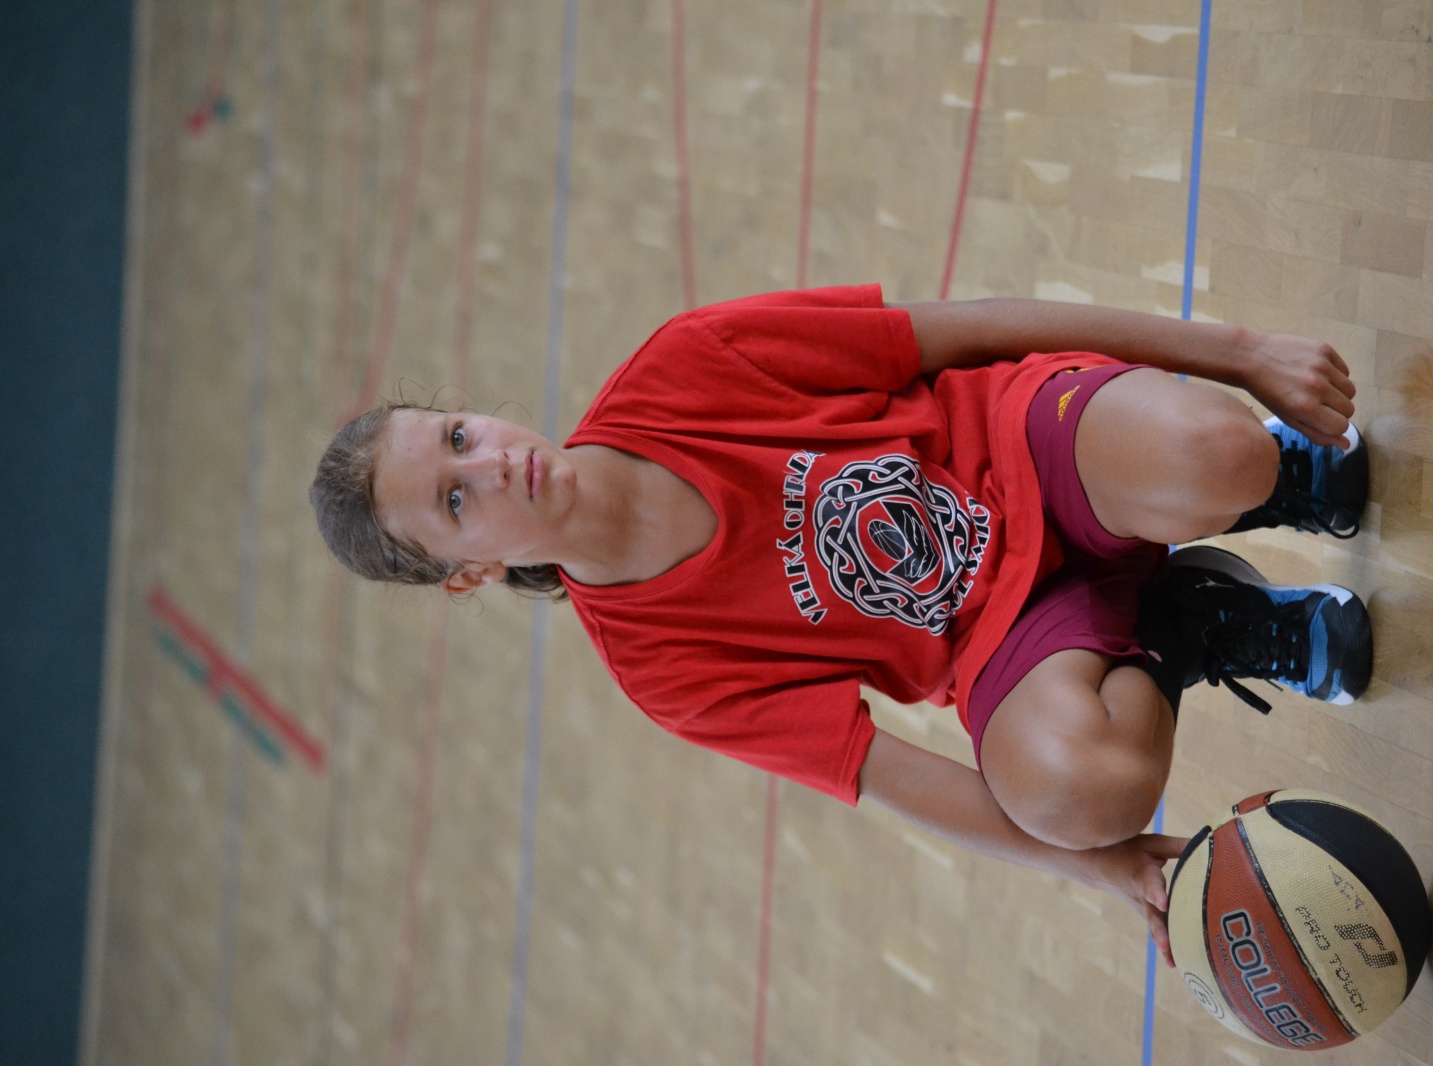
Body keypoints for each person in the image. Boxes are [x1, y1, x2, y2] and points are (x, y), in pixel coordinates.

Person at [310, 285, 1370, 966]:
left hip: (1026, 447)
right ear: (470, 574)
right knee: (1076, 795)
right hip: (1009, 635)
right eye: (456, 500)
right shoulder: (662, 671)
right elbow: (895, 776)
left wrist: (1240, 352)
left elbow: (975, 327)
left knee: (1218, 454)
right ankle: (1184, 620)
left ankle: (1255, 481)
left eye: (458, 436)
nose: (494, 462)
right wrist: (1110, 863)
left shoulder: (684, 362)